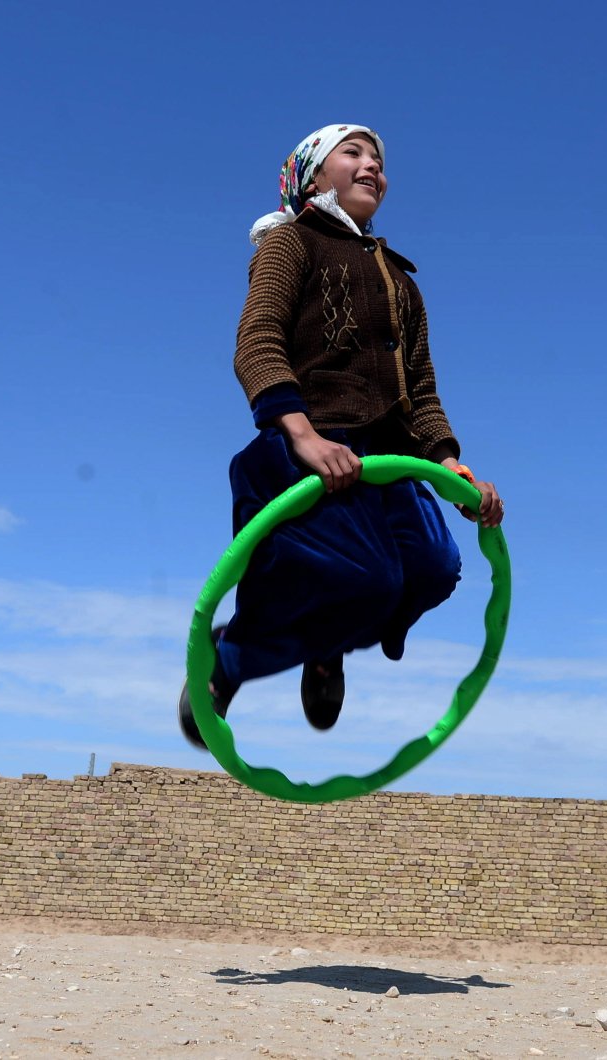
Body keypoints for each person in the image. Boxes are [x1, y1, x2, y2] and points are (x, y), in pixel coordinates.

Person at [180, 123, 505, 750]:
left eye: (379, 159)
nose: (371, 166)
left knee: (435, 571)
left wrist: (451, 465)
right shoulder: (292, 244)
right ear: (311, 174)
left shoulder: (403, 283)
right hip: (312, 447)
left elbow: (423, 392)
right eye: (352, 153)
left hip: (387, 460)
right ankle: (231, 657)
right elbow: (257, 343)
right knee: (367, 581)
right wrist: (302, 436)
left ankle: (327, 644)